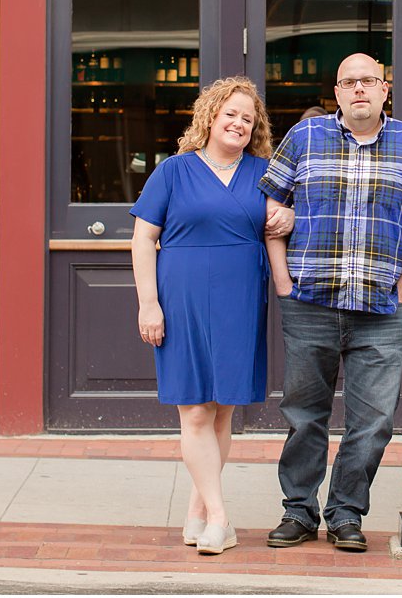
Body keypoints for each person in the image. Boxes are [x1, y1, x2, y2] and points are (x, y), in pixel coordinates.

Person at [258, 53, 402, 552]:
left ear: (384, 89)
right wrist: (283, 280)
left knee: (373, 421)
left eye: (367, 81)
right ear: (337, 92)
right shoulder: (304, 139)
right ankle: (299, 512)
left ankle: (347, 513)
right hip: (311, 300)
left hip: (379, 307)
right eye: (348, 82)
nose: (358, 90)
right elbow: (271, 205)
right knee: (304, 415)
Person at [129, 77, 294, 555]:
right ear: (210, 117)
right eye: (231, 114)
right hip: (180, 299)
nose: (239, 123)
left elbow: (282, 222)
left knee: (223, 410)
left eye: (248, 118)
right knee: (195, 407)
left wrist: (291, 218)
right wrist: (148, 303)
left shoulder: (264, 173)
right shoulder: (173, 172)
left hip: (240, 300)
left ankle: (199, 508)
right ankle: (221, 517)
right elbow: (143, 240)